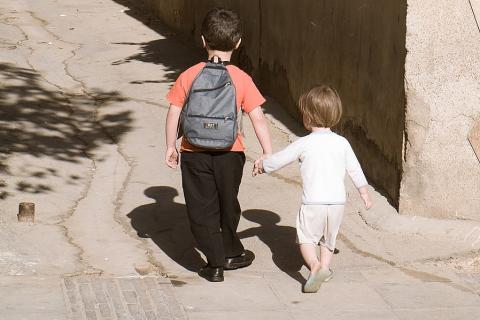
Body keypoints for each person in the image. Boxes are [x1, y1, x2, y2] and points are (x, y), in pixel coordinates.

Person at [164, 8, 272, 282]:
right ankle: (230, 251)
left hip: (193, 151)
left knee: (201, 207)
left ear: (202, 40)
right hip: (230, 153)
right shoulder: (242, 78)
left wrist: (170, 146)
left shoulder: (190, 74)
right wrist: (268, 152)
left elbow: (174, 111)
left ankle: (214, 264)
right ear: (238, 43)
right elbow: (257, 117)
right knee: (227, 203)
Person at [253, 85, 372, 292]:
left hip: (313, 202)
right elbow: (355, 169)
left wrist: (264, 165)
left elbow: (280, 159)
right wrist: (364, 192)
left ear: (307, 118)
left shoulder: (305, 143)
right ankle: (325, 266)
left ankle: (315, 266)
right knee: (328, 238)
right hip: (337, 202)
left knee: (306, 238)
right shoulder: (342, 143)